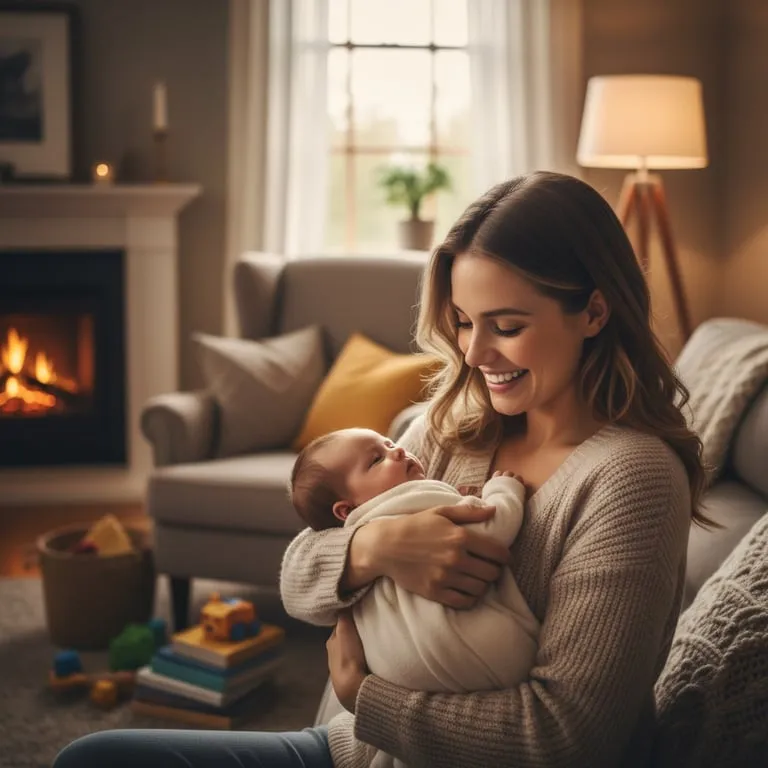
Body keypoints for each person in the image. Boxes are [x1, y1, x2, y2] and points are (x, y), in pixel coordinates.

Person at [51, 171, 708, 768]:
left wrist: (362, 695)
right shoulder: (452, 428)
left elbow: (564, 737)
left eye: (506, 326)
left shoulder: (632, 481)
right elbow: (300, 585)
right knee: (92, 759)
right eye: (462, 322)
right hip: (349, 752)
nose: (476, 353)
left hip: (380, 734)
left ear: (593, 311)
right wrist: (374, 547)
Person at [289, 427, 539, 697]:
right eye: (376, 460)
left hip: (392, 673)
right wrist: (503, 490)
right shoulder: (410, 494)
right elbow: (493, 526)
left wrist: (357, 692)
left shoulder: (357, 521)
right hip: (474, 653)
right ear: (346, 509)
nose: (396, 450)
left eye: (390, 443)